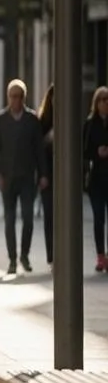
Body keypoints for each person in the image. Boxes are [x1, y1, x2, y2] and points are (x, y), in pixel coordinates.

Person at [0, 79, 45, 275]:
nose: (16, 100)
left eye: (19, 96)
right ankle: (12, 259)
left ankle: (25, 254)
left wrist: (43, 174)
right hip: (7, 178)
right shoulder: (1, 120)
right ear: (8, 97)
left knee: (28, 218)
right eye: (13, 96)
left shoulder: (32, 120)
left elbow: (39, 149)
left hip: (27, 177)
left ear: (24, 98)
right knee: (9, 219)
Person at [84, 86, 108, 273]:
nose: (105, 103)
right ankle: (101, 256)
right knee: (99, 218)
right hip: (97, 180)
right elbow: (84, 152)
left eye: (107, 99)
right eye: (102, 99)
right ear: (97, 103)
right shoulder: (90, 124)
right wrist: (96, 153)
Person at [37, 84, 56, 267]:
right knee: (49, 216)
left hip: (66, 179)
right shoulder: (42, 121)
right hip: (47, 176)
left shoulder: (70, 121)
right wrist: (48, 140)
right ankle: (51, 255)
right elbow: (37, 150)